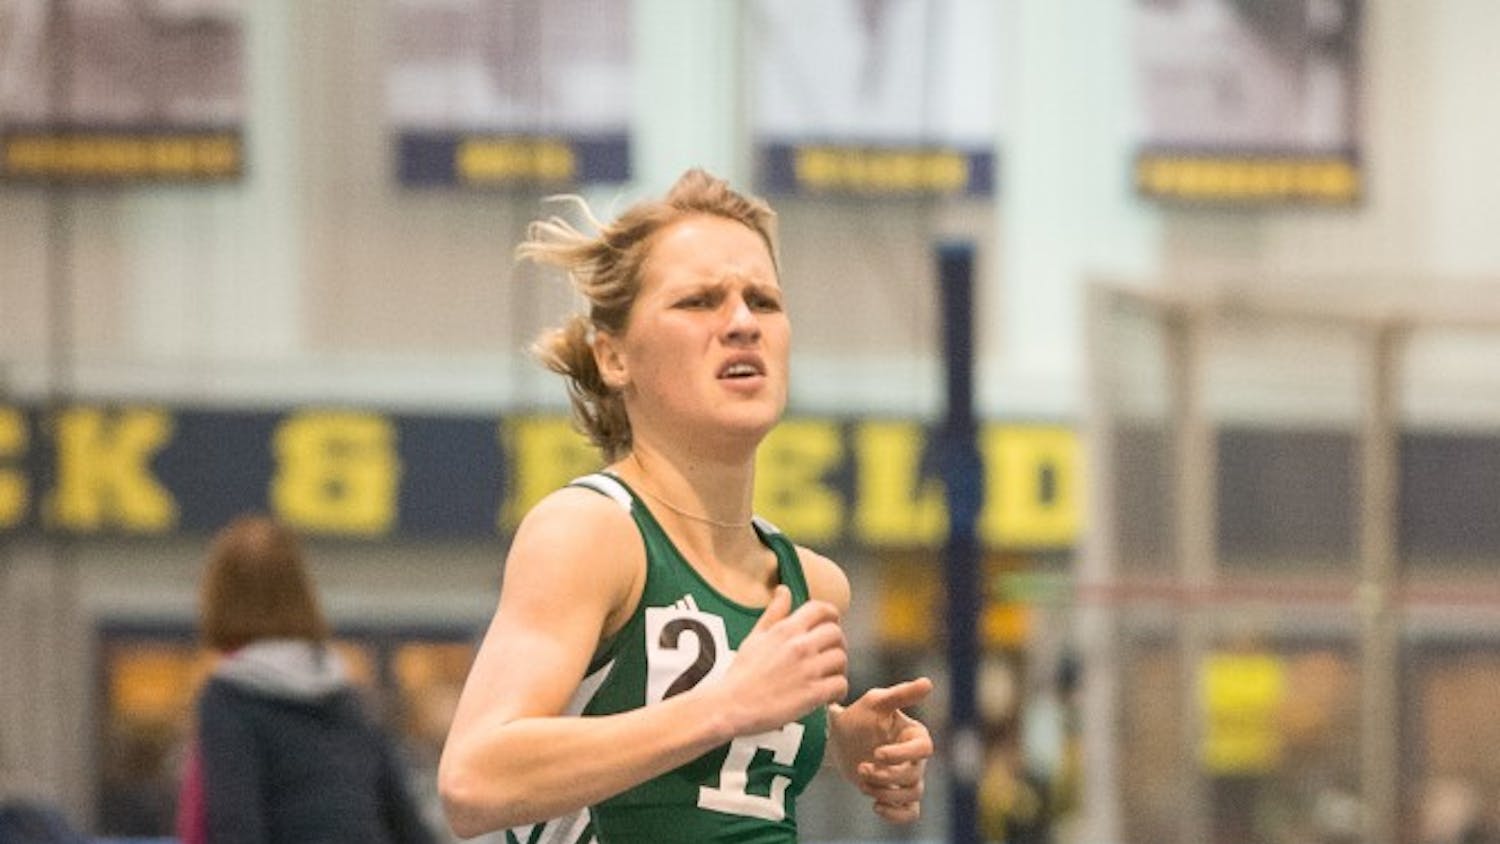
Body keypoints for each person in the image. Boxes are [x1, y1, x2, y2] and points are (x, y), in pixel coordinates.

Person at [438, 168, 935, 842]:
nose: (741, 323)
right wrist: (725, 706)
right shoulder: (590, 533)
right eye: (699, 301)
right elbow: (474, 782)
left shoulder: (813, 586)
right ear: (614, 357)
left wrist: (839, 741)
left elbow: (722, 779)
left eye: (762, 300)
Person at [176, 514, 435, 844]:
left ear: (216, 595)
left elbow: (236, 827)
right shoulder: (344, 696)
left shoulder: (229, 698)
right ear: (303, 592)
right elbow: (407, 823)